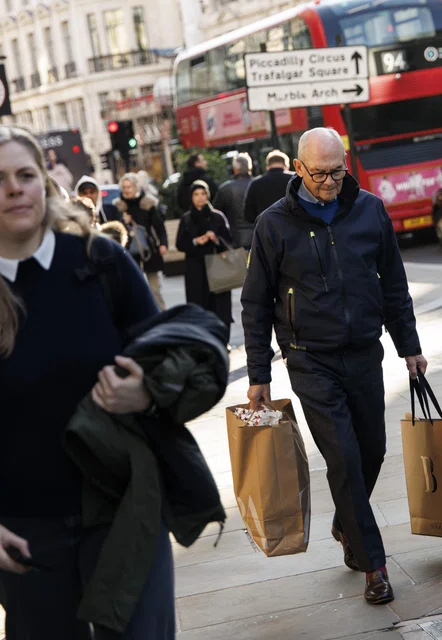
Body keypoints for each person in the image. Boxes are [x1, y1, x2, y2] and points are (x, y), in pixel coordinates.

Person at [0, 126, 173, 638]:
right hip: (23, 530)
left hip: (125, 508)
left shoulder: (101, 263)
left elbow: (167, 359)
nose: (15, 188)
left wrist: (146, 391)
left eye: (26, 175)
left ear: (44, 186)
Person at [242, 127, 426, 606]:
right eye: (319, 173)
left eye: (337, 171)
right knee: (343, 457)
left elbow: (394, 283)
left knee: (372, 451)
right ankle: (375, 566)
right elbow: (255, 304)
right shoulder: (273, 224)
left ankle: (347, 521)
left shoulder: (369, 209)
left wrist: (410, 346)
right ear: (298, 169)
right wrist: (258, 373)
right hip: (310, 359)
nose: (328, 181)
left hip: (365, 351)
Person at [177, 180, 233, 330]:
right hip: (195, 269)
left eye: (203, 193)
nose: (200, 197)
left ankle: (223, 337)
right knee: (199, 305)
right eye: (196, 194)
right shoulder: (187, 219)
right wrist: (195, 241)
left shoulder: (217, 217)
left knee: (220, 306)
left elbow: (229, 241)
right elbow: (180, 244)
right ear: (191, 197)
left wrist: (215, 238)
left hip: (217, 266)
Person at [114, 173, 168, 310]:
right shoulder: (119, 207)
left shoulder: (147, 204)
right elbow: (115, 231)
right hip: (129, 252)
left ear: (136, 187)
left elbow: (159, 226)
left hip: (149, 250)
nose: (126, 190)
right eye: (124, 187)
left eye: (129, 187)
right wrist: (123, 222)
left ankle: (162, 315)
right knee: (134, 288)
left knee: (154, 288)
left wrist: (163, 243)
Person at [213, 153, 254, 248]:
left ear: (235, 169)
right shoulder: (259, 185)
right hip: (259, 237)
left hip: (235, 240)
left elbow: (216, 215)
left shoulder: (225, 189)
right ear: (250, 168)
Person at [243, 150, 294, 225]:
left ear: (267, 167)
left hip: (267, 230)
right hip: (293, 228)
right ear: (286, 165)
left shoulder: (255, 183)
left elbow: (248, 215)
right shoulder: (294, 179)